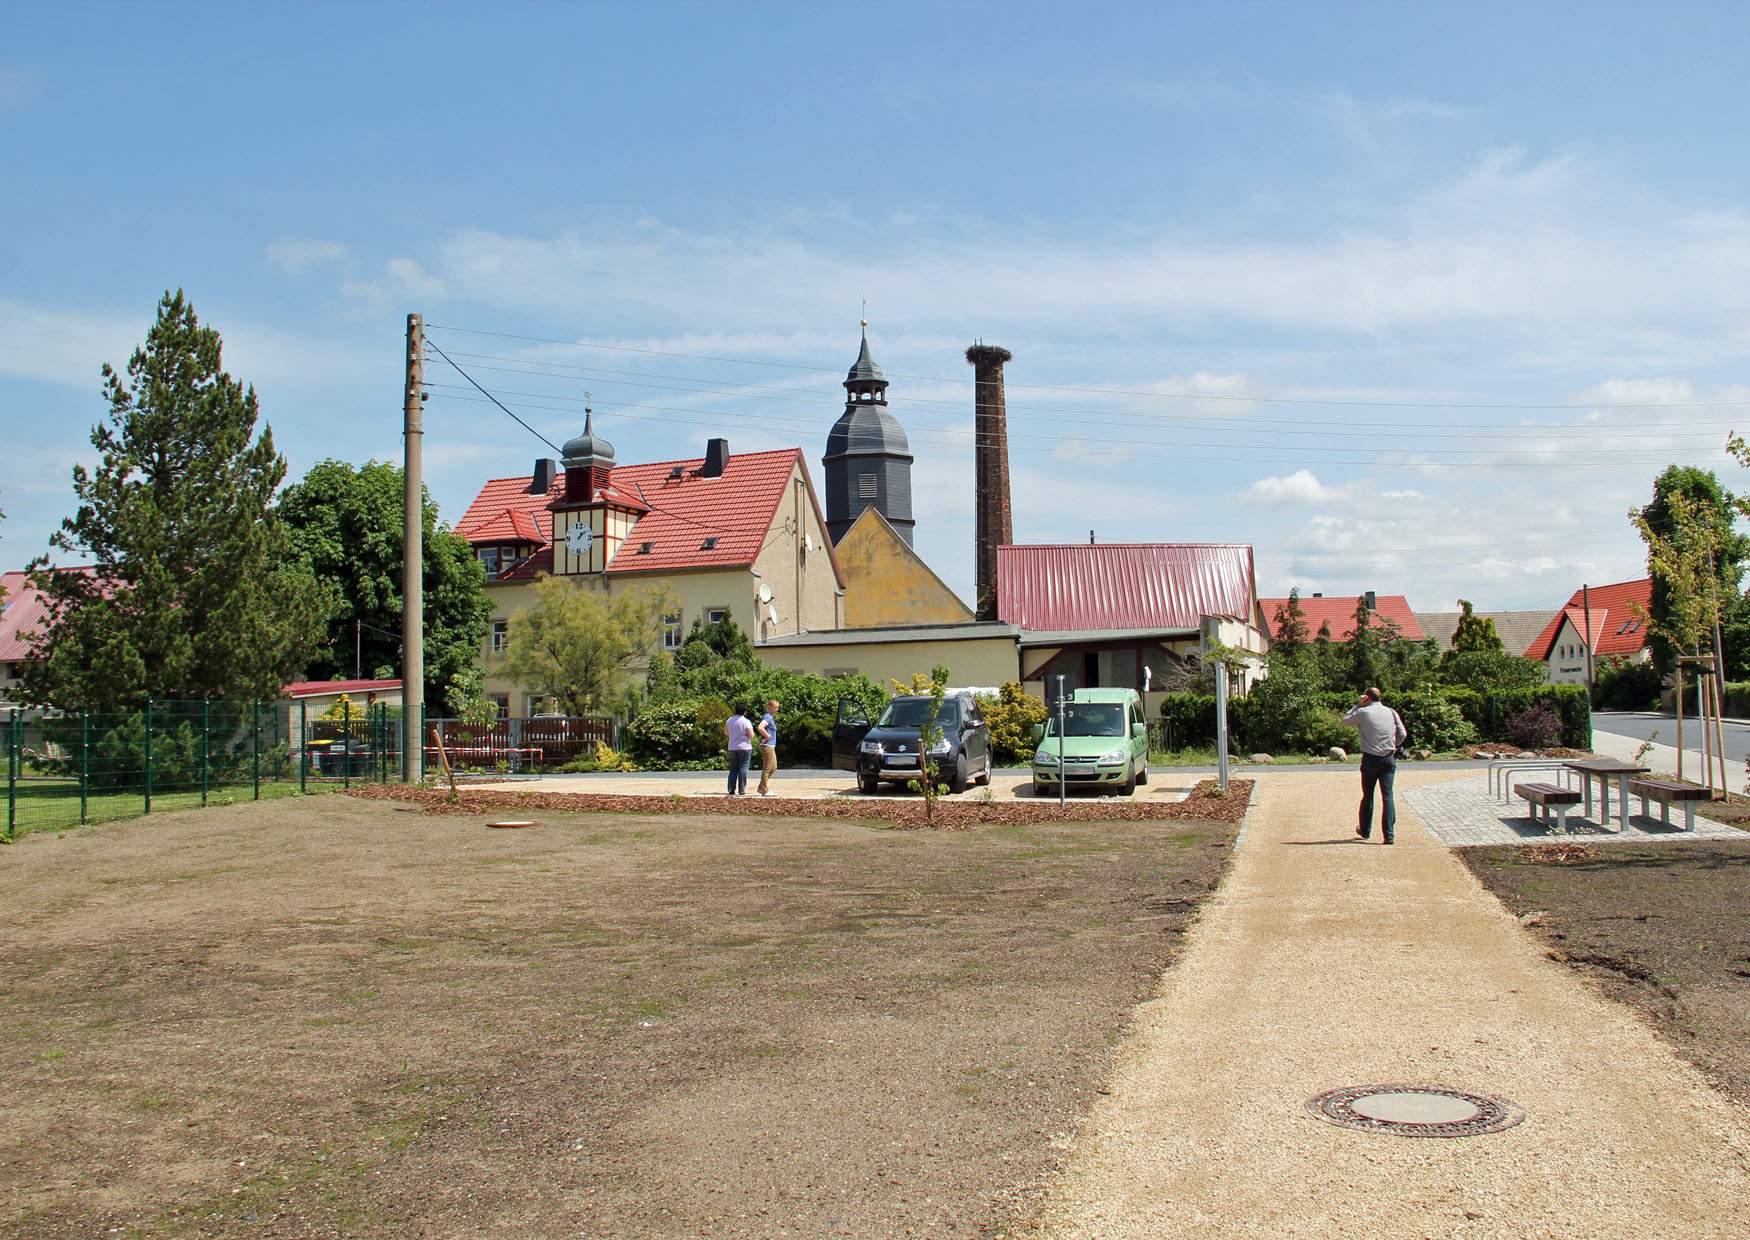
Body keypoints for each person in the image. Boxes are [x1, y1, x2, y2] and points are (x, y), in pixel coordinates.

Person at [1343, 687, 1407, 844]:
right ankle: (1389, 835)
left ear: (1367, 698)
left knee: (1368, 795)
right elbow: (1403, 734)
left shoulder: (1363, 713)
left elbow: (1345, 721)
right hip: (1388, 758)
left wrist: (1357, 705)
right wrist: (1393, 745)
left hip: (1370, 759)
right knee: (1388, 796)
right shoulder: (1391, 712)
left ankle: (1365, 830)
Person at [725, 705, 756, 797]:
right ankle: (741, 790)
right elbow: (750, 734)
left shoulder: (729, 720)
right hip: (744, 747)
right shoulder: (746, 721)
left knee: (733, 769)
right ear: (744, 711)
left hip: (732, 747)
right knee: (743, 768)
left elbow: (726, 732)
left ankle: (731, 789)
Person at [756, 698, 780, 796]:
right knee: (768, 768)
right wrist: (767, 736)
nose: (777, 709)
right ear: (769, 707)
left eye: (778, 707)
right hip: (767, 745)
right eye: (775, 707)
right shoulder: (768, 717)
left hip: (770, 745)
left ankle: (761, 787)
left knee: (773, 768)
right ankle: (765, 790)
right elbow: (760, 727)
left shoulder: (770, 717)